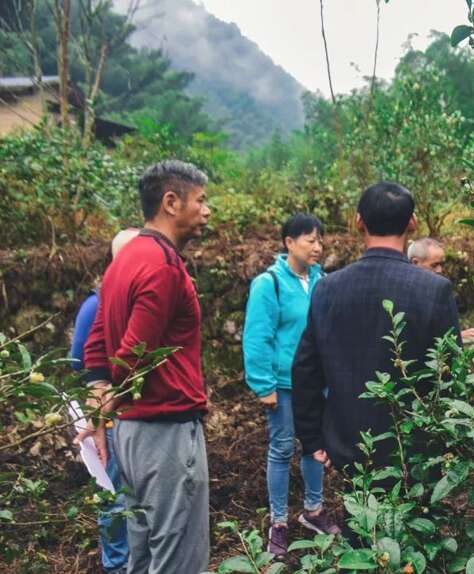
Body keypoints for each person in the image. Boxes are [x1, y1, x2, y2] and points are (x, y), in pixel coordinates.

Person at [78, 160, 211, 574]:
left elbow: (96, 345)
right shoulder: (162, 266)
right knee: (177, 558)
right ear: (171, 202)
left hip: (131, 436)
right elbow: (134, 355)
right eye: (201, 201)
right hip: (166, 432)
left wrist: (101, 410)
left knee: (141, 554)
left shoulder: (125, 257)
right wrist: (109, 406)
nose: (207, 211)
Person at [292, 181, 461, 474]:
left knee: (357, 517)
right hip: (416, 452)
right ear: (412, 222)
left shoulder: (327, 289)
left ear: (358, 221)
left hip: (350, 449)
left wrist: (314, 439)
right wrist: (447, 442)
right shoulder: (434, 290)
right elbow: (451, 372)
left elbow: (306, 370)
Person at [242, 213, 340, 556]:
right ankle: (279, 522)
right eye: (310, 240)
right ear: (289, 243)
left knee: (316, 446)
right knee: (282, 449)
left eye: (320, 240)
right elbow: (258, 337)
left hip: (316, 384)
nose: (318, 246)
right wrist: (263, 385)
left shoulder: (322, 281)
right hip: (283, 384)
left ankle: (313, 509)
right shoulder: (270, 283)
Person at [70, 228, 139, 574]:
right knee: (114, 493)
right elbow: (79, 363)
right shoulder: (96, 305)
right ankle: (116, 565)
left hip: (142, 416)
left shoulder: (140, 300)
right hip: (109, 417)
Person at [408, 237, 474, 343]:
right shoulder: (405, 294)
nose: (440, 270)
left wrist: (458, 336)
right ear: (415, 263)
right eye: (434, 265)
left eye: (441, 264)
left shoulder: (437, 290)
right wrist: (457, 338)